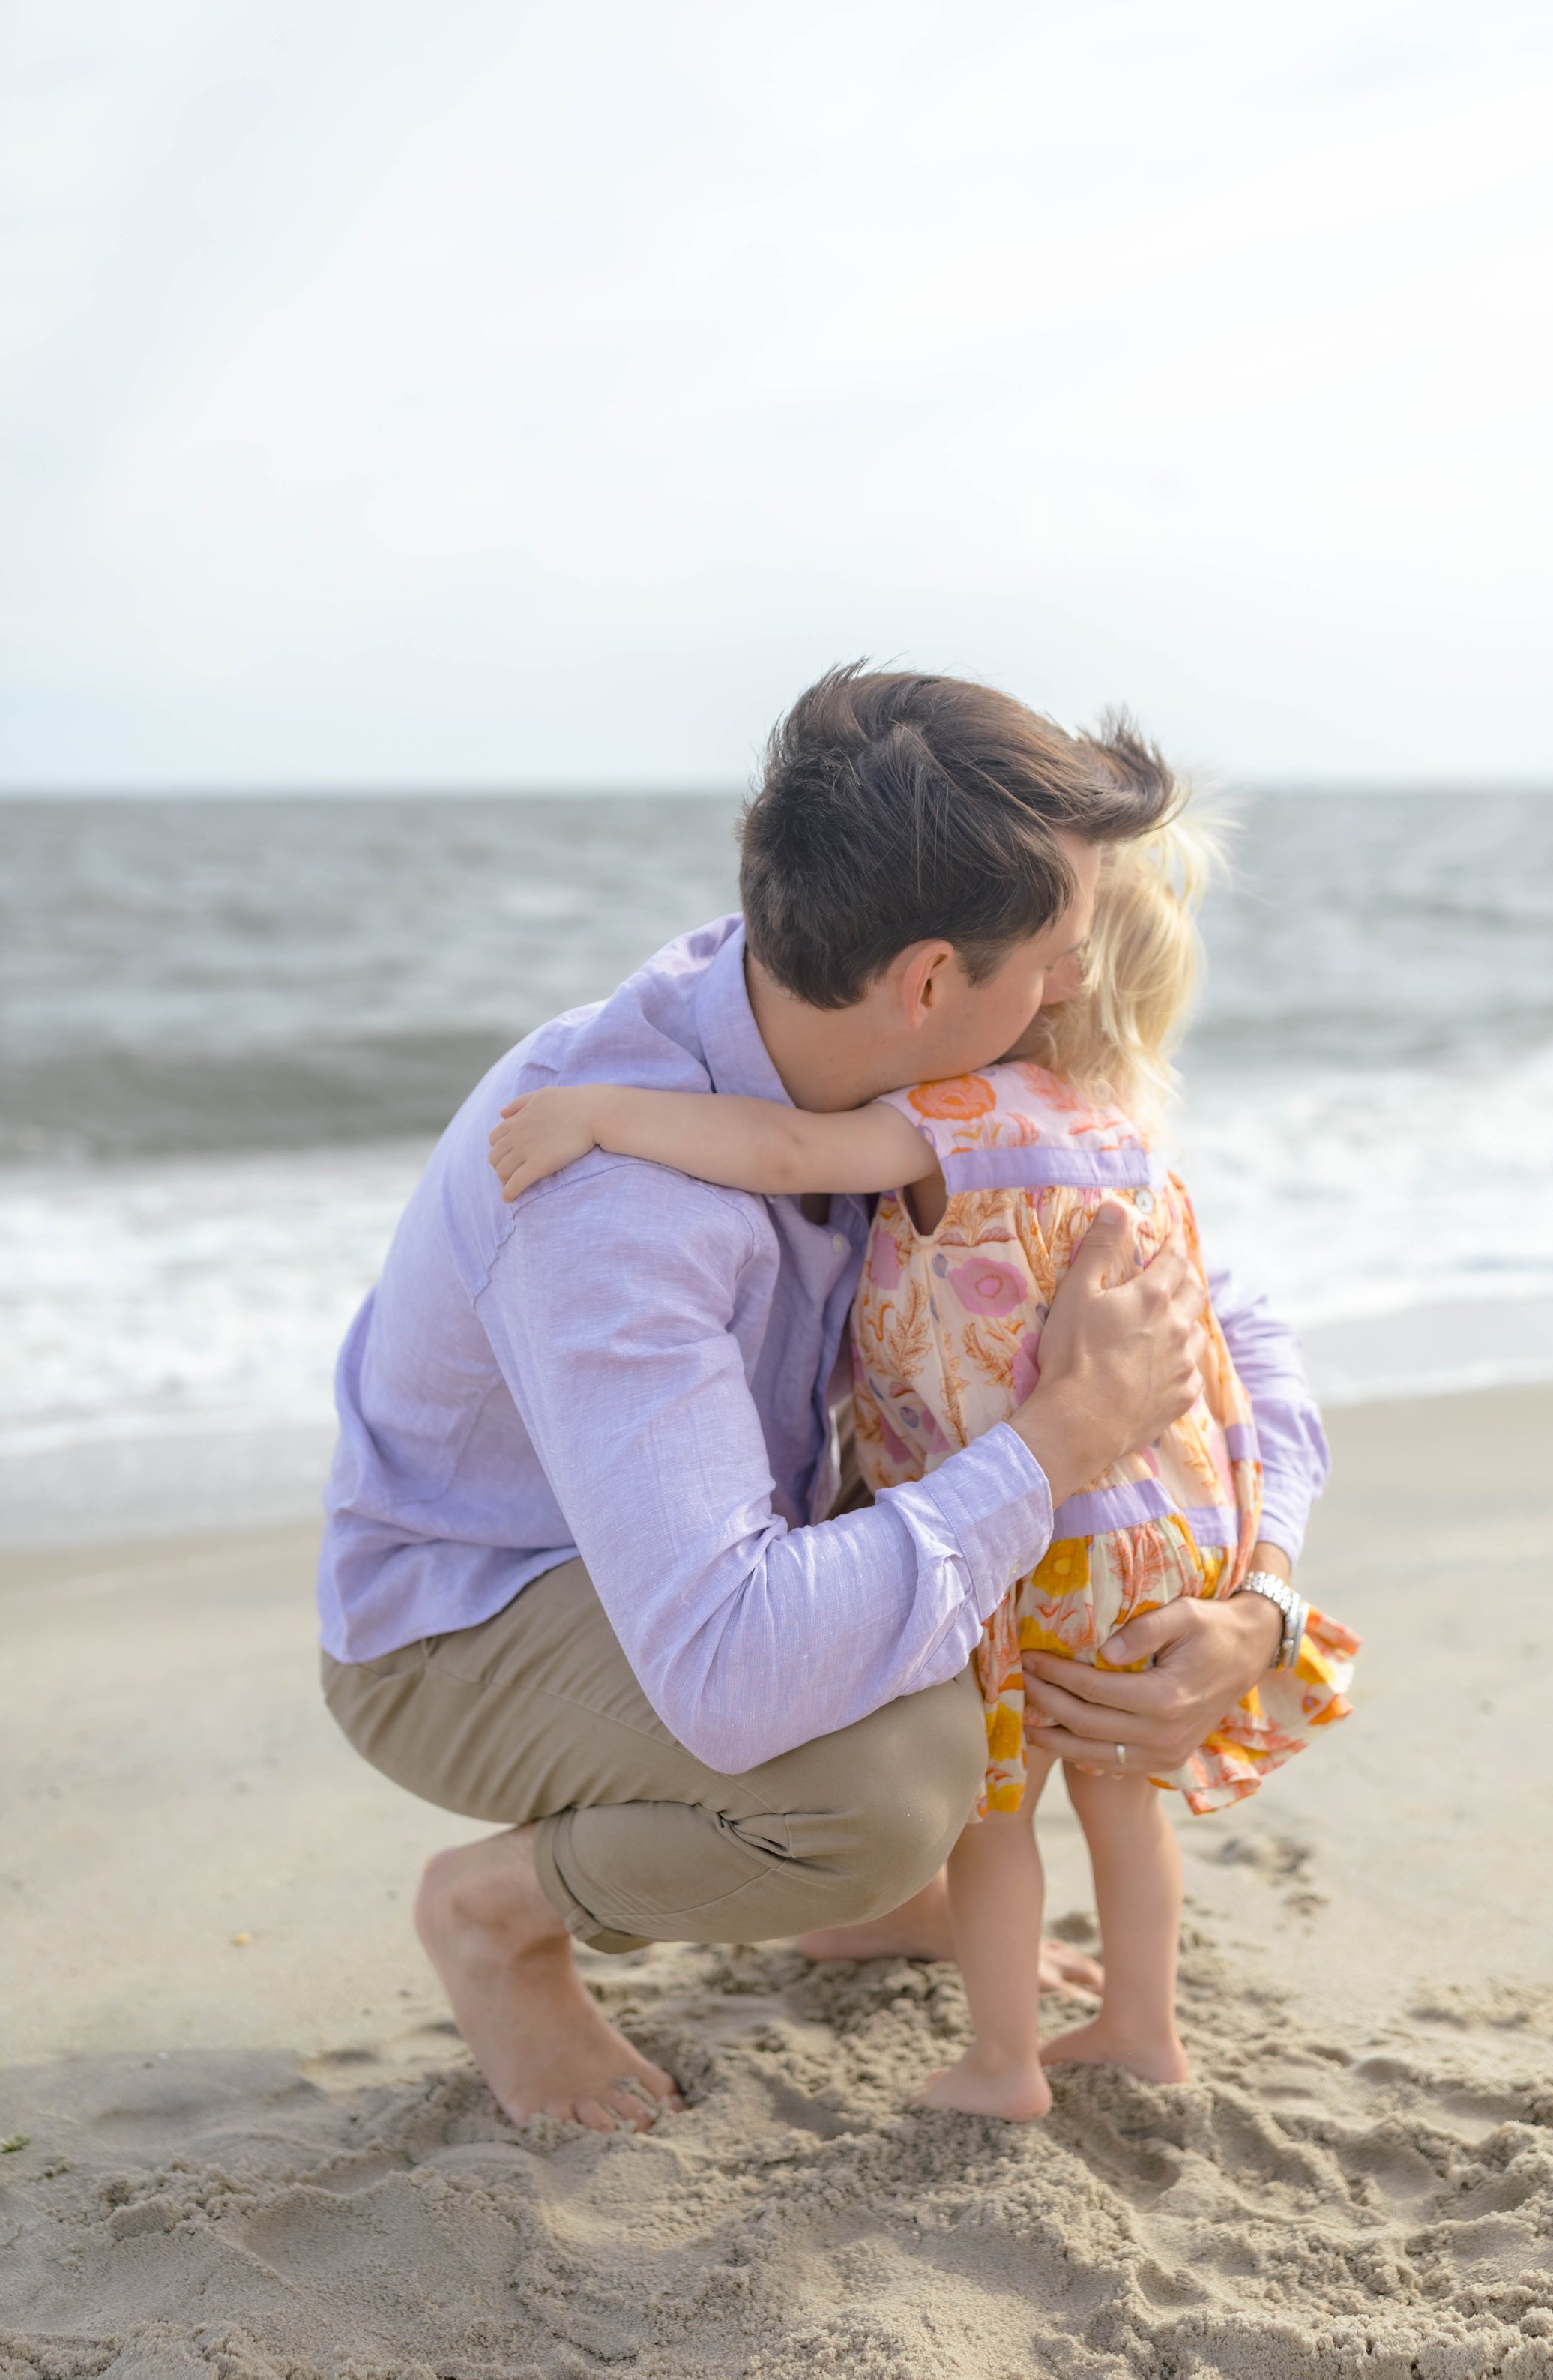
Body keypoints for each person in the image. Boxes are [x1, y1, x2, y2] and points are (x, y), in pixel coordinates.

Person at [318, 668, 1330, 2130]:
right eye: (1054, 953)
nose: (1069, 985)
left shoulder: (933, 1079)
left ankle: (899, 1901)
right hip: (471, 1617)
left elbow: (1224, 1320)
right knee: (883, 1784)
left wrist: (1260, 1600)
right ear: (929, 980)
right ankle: (497, 1913)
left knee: (969, 1634)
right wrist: (1057, 1443)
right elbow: (732, 1662)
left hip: (720, 1543)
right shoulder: (613, 1211)